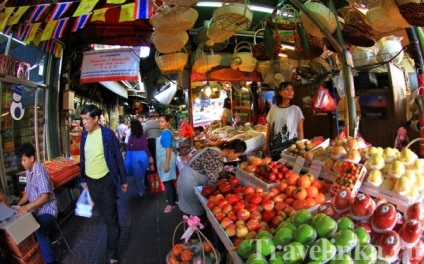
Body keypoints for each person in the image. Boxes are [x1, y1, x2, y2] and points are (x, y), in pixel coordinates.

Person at [79, 104, 127, 264]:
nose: (83, 122)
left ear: (95, 118)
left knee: (111, 219)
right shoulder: (84, 136)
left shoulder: (107, 135)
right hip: (92, 183)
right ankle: (112, 231)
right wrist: (83, 179)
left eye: (86, 119)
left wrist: (123, 179)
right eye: (82, 119)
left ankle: (112, 253)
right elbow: (83, 158)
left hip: (107, 181)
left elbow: (118, 157)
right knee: (105, 216)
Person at [177, 139, 246, 216]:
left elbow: (219, 171)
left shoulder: (216, 152)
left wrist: (230, 179)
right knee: (192, 214)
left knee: (192, 210)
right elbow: (213, 181)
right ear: (231, 151)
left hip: (190, 178)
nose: (236, 158)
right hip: (190, 182)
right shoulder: (214, 155)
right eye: (238, 156)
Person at [16, 143, 58, 264]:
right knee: (27, 226)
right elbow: (28, 193)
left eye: (24, 160)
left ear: (32, 158)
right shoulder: (29, 172)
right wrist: (18, 205)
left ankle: (50, 262)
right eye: (21, 160)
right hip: (36, 210)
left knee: (39, 231)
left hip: (48, 210)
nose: (22, 163)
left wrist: (27, 206)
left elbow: (45, 197)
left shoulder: (39, 171)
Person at [263, 82, 304, 161]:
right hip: (274, 146)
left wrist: (301, 149)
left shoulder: (296, 109)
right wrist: (266, 144)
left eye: (292, 90)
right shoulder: (273, 108)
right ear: (280, 92)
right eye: (287, 89)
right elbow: (269, 128)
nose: (290, 92)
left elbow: (300, 131)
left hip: (290, 147)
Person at [156, 114, 177, 213]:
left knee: (167, 181)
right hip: (163, 158)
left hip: (166, 158)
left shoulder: (167, 133)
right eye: (159, 121)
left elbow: (168, 149)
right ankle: (173, 199)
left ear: (167, 123)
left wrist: (167, 163)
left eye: (162, 121)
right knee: (168, 180)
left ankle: (171, 204)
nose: (160, 123)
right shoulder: (163, 132)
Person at [126, 119, 151, 197]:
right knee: (144, 172)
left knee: (137, 174)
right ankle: (144, 183)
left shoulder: (131, 136)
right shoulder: (143, 135)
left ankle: (140, 191)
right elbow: (145, 146)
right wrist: (150, 156)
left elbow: (128, 147)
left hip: (134, 155)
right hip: (144, 154)